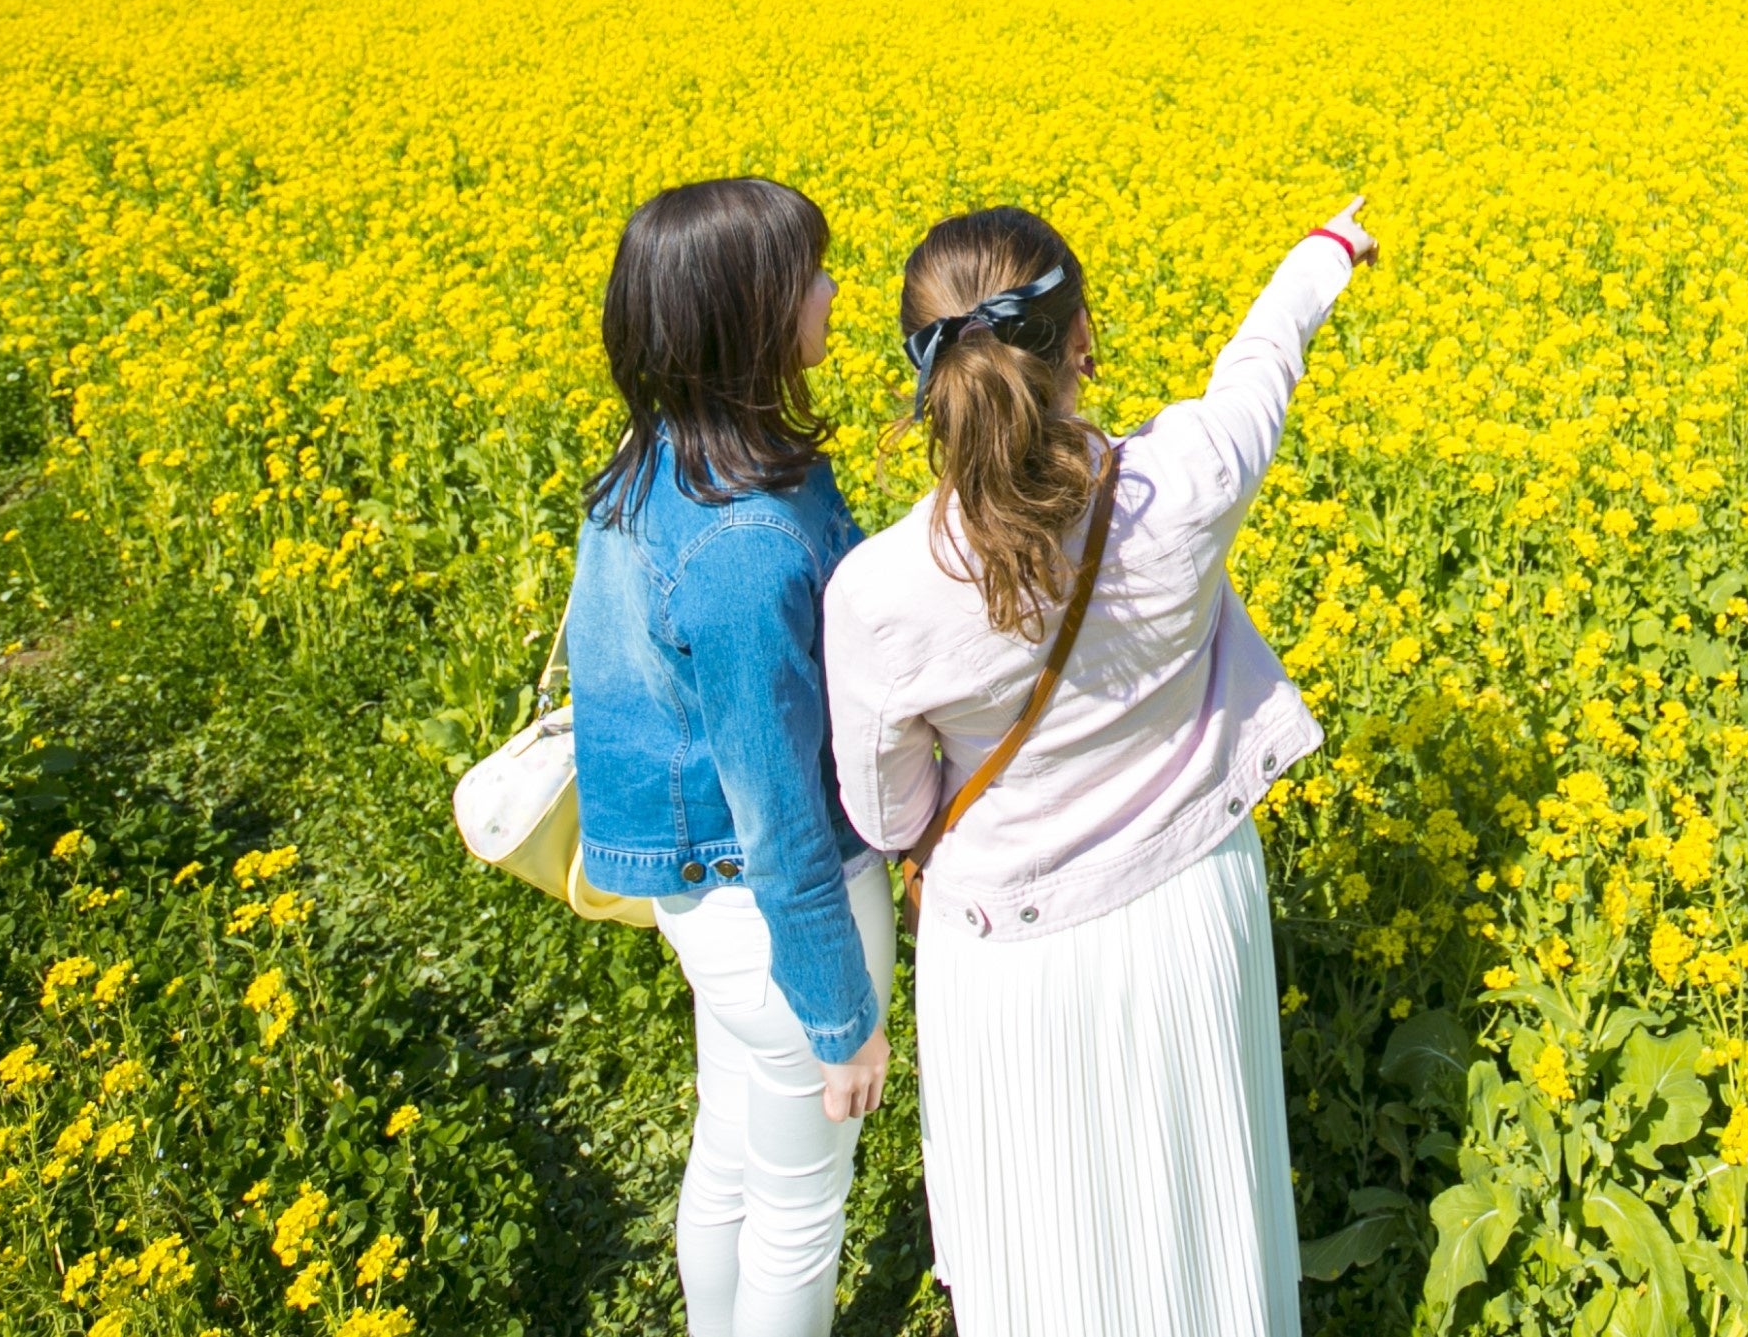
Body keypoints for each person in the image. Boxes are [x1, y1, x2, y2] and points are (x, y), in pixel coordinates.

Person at [827, 197, 1376, 1337]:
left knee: (1053, 1243)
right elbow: (1256, 371)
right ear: (1080, 340)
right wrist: (1318, 259)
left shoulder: (877, 593)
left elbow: (889, 814)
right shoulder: (1185, 486)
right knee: (1204, 1211)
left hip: (1011, 958)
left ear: (928, 378)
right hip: (1190, 909)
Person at [568, 179, 892, 1337]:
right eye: (809, 274)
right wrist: (837, 1014)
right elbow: (781, 815)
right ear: (748, 314)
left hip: (702, 899)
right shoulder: (744, 542)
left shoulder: (659, 452)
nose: (833, 290)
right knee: (802, 1207)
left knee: (732, 1150)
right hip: (775, 913)